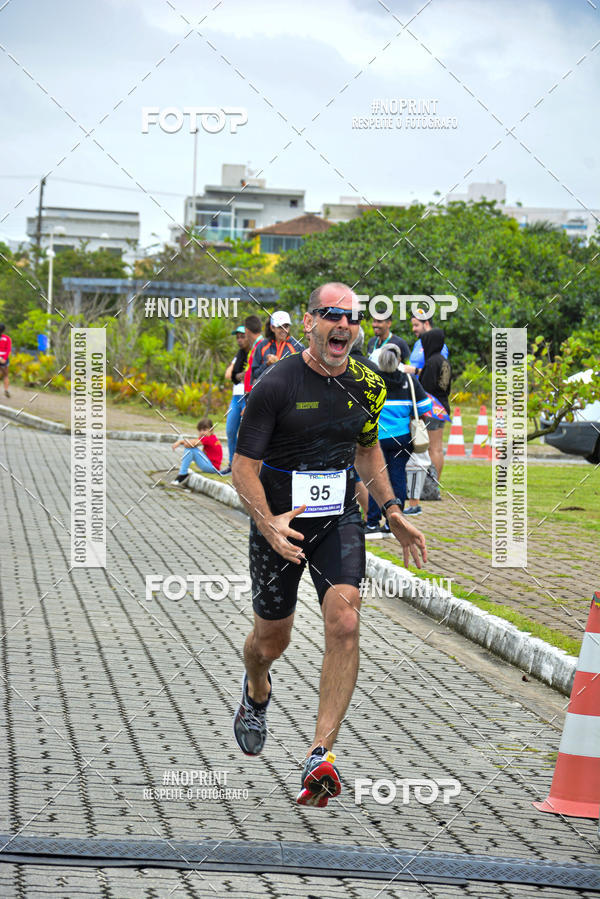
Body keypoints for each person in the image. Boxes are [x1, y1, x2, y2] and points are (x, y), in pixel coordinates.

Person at [231, 282, 427, 808]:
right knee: (271, 641)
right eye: (331, 315)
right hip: (279, 521)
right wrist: (268, 522)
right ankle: (256, 690)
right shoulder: (274, 384)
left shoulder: (368, 382)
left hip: (338, 516)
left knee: (346, 619)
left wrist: (393, 511)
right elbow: (242, 468)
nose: (343, 325)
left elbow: (367, 454)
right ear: (309, 320)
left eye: (352, 317)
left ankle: (320, 755)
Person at [364, 344, 432, 534]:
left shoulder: (372, 381)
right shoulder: (409, 381)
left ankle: (371, 522)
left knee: (375, 478)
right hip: (402, 439)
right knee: (398, 478)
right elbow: (426, 408)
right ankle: (393, 523)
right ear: (400, 361)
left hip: (376, 439)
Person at [349, 326, 378, 516]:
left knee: (354, 471)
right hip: (373, 424)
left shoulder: (344, 366)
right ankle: (371, 513)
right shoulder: (374, 367)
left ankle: (368, 513)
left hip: (350, 426)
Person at [419, 328, 452, 481]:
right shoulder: (444, 360)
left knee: (432, 448)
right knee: (438, 448)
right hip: (443, 407)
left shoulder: (432, 362)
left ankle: (431, 483)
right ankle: (435, 482)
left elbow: (426, 387)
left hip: (432, 408)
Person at [222, 326, 249, 475]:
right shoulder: (238, 355)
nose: (239, 339)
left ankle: (244, 467)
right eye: (237, 337)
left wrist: (241, 375)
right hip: (235, 397)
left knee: (246, 433)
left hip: (247, 397)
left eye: (242, 336)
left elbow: (251, 374)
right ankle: (232, 464)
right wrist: (240, 374)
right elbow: (228, 375)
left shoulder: (255, 352)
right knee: (230, 431)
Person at [250, 310, 304, 384]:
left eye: (286, 326)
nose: (284, 330)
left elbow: (303, 373)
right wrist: (267, 364)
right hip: (267, 392)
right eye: (280, 327)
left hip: (289, 392)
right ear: (272, 328)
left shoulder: (298, 347)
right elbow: (255, 374)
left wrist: (279, 364)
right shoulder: (262, 346)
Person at [171, 418, 223, 484]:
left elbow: (189, 444)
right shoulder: (212, 438)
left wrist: (180, 442)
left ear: (211, 430)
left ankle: (183, 474)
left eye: (204, 430)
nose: (201, 432)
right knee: (192, 448)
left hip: (212, 468)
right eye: (200, 430)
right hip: (213, 467)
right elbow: (194, 442)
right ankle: (183, 473)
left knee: (190, 449)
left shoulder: (208, 439)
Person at [406, 307, 448, 375]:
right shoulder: (418, 343)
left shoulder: (439, 346)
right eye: (413, 326)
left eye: (416, 325)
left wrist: (415, 371)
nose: (413, 329)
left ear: (426, 324)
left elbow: (440, 373)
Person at [242, 315, 264, 395]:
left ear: (247, 330)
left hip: (255, 394)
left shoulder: (262, 345)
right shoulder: (257, 345)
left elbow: (263, 370)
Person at [0, 324, 12, 398]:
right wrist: (4, 359)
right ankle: (6, 390)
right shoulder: (7, 338)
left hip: (3, 358)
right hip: (4, 358)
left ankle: (6, 390)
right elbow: (8, 350)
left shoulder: (7, 338)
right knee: (6, 375)